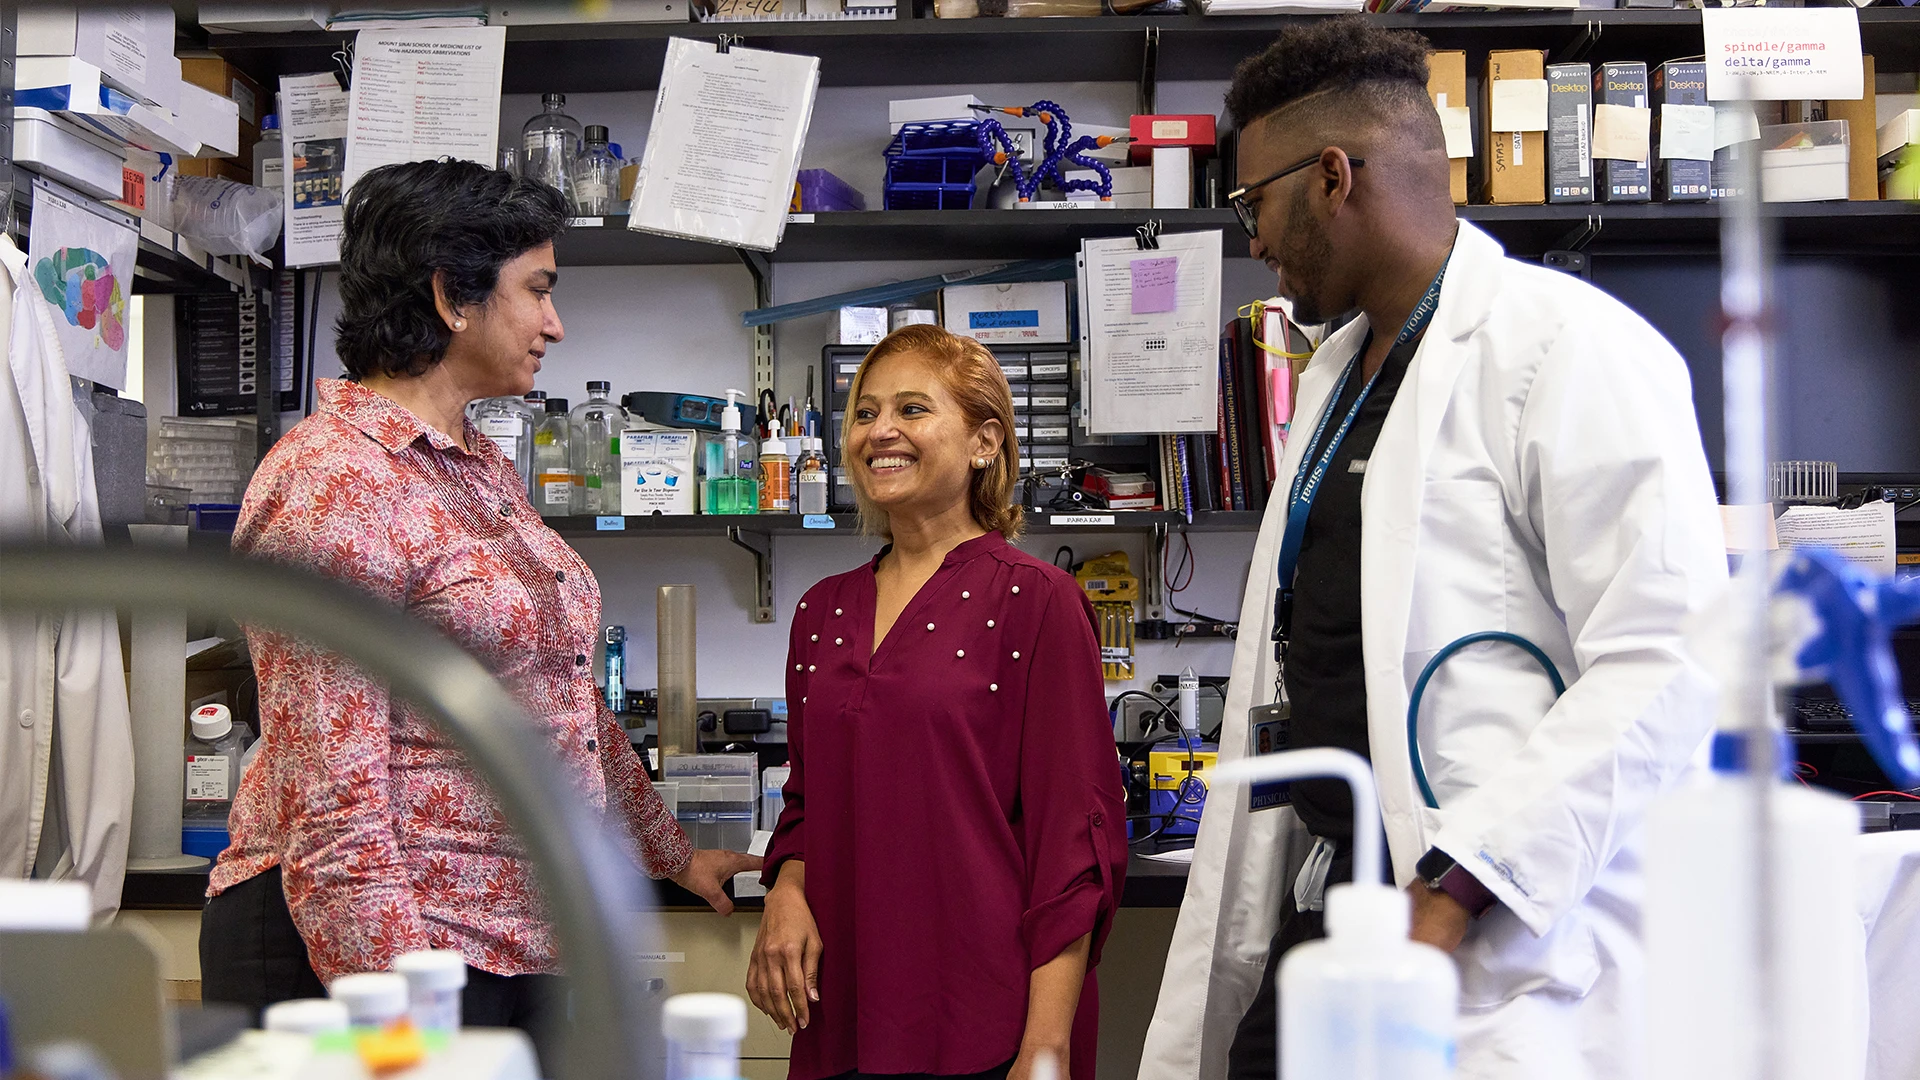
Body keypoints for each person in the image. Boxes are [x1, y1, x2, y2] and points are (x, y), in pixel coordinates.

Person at [1139, 19, 1728, 1080]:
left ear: (1330, 177)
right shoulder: (1335, 379)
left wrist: (1459, 889)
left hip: (1478, 926)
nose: (1252, 238)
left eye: (1251, 202)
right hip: (1337, 904)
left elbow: (1671, 656)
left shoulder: (1567, 348)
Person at [200, 160, 759, 1049]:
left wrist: (672, 851)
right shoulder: (335, 480)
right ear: (451, 296)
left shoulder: (473, 467)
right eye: (537, 291)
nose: (555, 324)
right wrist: (399, 1022)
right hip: (379, 946)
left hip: (510, 940)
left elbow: (559, 702)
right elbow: (330, 793)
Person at [746, 324, 1128, 1080]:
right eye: (864, 413)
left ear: (985, 442)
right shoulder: (821, 611)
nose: (880, 431)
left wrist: (1046, 1047)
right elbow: (806, 804)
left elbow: (1074, 846)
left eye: (913, 409)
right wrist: (786, 889)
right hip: (841, 1007)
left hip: (982, 1019)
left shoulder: (1037, 600)